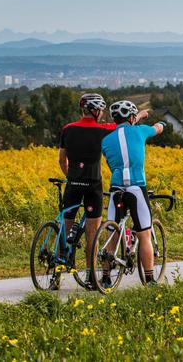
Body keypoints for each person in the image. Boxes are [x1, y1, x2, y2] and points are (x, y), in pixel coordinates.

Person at [101, 100, 165, 287]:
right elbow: (157, 129)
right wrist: (162, 124)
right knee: (144, 233)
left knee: (112, 232)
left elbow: (113, 160)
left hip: (116, 188)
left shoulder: (106, 141)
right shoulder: (140, 130)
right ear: (131, 117)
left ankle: (105, 278)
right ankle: (150, 278)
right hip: (137, 186)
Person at [57, 92, 115, 287]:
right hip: (93, 185)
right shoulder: (102, 130)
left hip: (73, 183)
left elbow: (61, 160)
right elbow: (124, 126)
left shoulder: (67, 129)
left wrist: (71, 176)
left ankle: (56, 273)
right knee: (92, 232)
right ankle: (91, 276)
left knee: (65, 227)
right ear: (95, 111)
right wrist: (140, 117)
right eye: (101, 110)